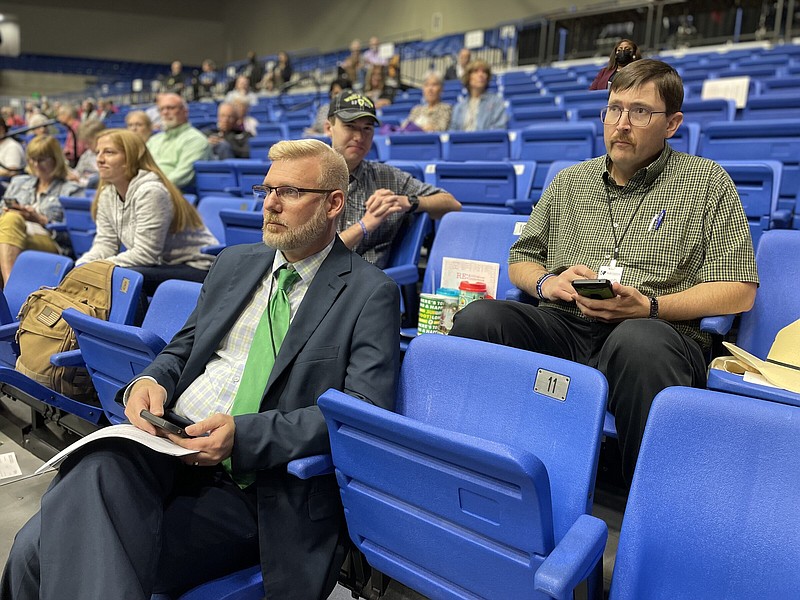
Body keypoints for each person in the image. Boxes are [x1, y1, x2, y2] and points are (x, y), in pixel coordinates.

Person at [2, 138, 400, 600]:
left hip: (251, 487)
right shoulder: (235, 263)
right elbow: (184, 347)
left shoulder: (369, 294)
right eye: (266, 189)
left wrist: (243, 437)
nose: (270, 203)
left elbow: (359, 412)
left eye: (289, 192)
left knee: (37, 547)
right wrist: (151, 379)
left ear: (333, 203)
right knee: (96, 471)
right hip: (164, 446)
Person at [449, 60, 759, 483]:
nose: (622, 124)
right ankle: (482, 474)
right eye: (614, 109)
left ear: (672, 124)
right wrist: (547, 282)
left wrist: (650, 306)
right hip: (565, 324)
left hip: (655, 334)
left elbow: (739, 290)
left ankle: (649, 505)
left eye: (640, 112)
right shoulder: (569, 181)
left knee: (639, 342)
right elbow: (521, 257)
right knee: (480, 318)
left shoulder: (706, 182)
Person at [324, 90, 461, 268]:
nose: (359, 137)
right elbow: (313, 259)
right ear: (329, 128)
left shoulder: (387, 177)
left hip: (369, 287)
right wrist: (364, 226)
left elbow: (452, 204)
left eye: (367, 128)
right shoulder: (306, 177)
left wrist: (407, 201)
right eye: (350, 126)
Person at [76, 129, 216, 295]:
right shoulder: (108, 193)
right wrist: (82, 265)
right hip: (161, 264)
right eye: (97, 152)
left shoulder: (151, 191)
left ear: (130, 158)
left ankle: (125, 322)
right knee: (91, 272)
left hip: (196, 266)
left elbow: (145, 255)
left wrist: (97, 268)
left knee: (122, 277)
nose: (99, 159)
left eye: (109, 152)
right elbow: (105, 243)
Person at [0, 135, 82, 284]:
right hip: (11, 236)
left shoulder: (71, 190)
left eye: (42, 159)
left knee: (12, 220)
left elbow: (74, 237)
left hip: (50, 242)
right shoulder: (19, 182)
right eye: (32, 159)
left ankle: (9, 288)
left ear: (56, 159)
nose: (36, 164)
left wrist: (39, 219)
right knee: (9, 220)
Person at [146, 93, 212, 190]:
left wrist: (148, 187)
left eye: (170, 108)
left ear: (185, 111)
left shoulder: (195, 140)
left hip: (174, 196)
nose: (165, 112)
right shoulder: (154, 140)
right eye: (161, 109)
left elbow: (181, 177)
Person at [449, 59, 507, 131]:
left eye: (484, 72)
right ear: (468, 76)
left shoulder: (496, 102)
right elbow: (452, 131)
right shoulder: (459, 107)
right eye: (476, 71)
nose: (481, 75)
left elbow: (499, 128)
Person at [68, 119, 106, 187]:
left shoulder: (108, 157)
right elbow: (78, 171)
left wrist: (79, 181)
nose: (86, 146)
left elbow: (102, 180)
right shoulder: (87, 154)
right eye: (85, 142)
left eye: (89, 143)